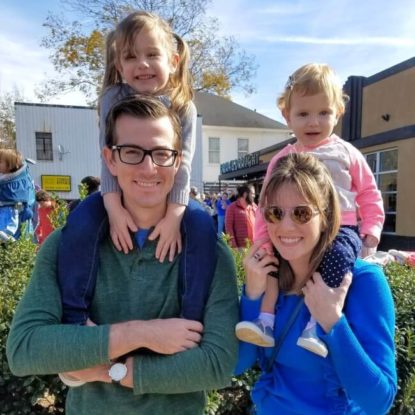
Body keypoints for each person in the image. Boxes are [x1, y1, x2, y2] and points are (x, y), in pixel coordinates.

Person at [7, 94, 239, 415]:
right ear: (110, 159)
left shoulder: (210, 253)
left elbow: (217, 364)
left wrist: (106, 369)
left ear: (177, 161)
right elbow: (25, 349)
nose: (148, 167)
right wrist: (141, 334)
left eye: (161, 153)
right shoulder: (65, 246)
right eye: (131, 152)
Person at [57, 11, 217, 325]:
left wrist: (174, 215)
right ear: (119, 66)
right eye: (131, 57)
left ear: (173, 61)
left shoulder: (183, 106)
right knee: (81, 222)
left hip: (172, 195)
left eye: (152, 54)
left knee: (201, 226)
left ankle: (192, 318)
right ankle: (75, 315)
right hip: (114, 192)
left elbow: (183, 163)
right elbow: (107, 157)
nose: (142, 64)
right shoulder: (112, 98)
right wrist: (114, 208)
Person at [236, 63, 384, 357]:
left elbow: (369, 192)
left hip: (341, 229)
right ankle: (265, 319)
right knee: (272, 266)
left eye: (324, 113)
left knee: (338, 260)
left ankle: (317, 323)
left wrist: (371, 229)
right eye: (303, 114)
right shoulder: (282, 159)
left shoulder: (346, 153)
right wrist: (263, 240)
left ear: (338, 112)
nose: (313, 122)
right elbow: (266, 205)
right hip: (291, 230)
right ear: (287, 116)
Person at [235, 153, 397, 415]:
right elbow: (237, 365)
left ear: (326, 217)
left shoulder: (363, 282)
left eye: (301, 213)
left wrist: (332, 322)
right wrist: (252, 295)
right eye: (275, 213)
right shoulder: (269, 278)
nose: (286, 226)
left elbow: (379, 402)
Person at [0, 148, 35, 241]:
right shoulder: (4, 177)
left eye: (0, 162)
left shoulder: (15, 182)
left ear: (10, 165)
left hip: (11, 209)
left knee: (10, 222)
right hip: (4, 209)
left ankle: (7, 236)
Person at [225, 184, 257, 249]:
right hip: (240, 248)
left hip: (255, 247)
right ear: (245, 194)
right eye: (252, 194)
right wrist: (234, 247)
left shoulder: (254, 207)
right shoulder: (232, 208)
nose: (254, 196)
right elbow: (229, 229)